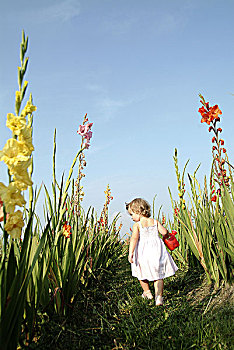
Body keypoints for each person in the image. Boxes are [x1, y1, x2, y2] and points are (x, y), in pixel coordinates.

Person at [126, 198, 178, 306]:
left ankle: (147, 293)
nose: (131, 217)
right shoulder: (154, 222)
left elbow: (134, 239)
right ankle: (158, 297)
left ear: (138, 212)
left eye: (132, 214)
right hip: (156, 251)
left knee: (140, 272)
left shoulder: (137, 225)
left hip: (143, 252)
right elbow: (164, 232)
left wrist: (130, 252)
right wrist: (167, 237)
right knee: (158, 275)